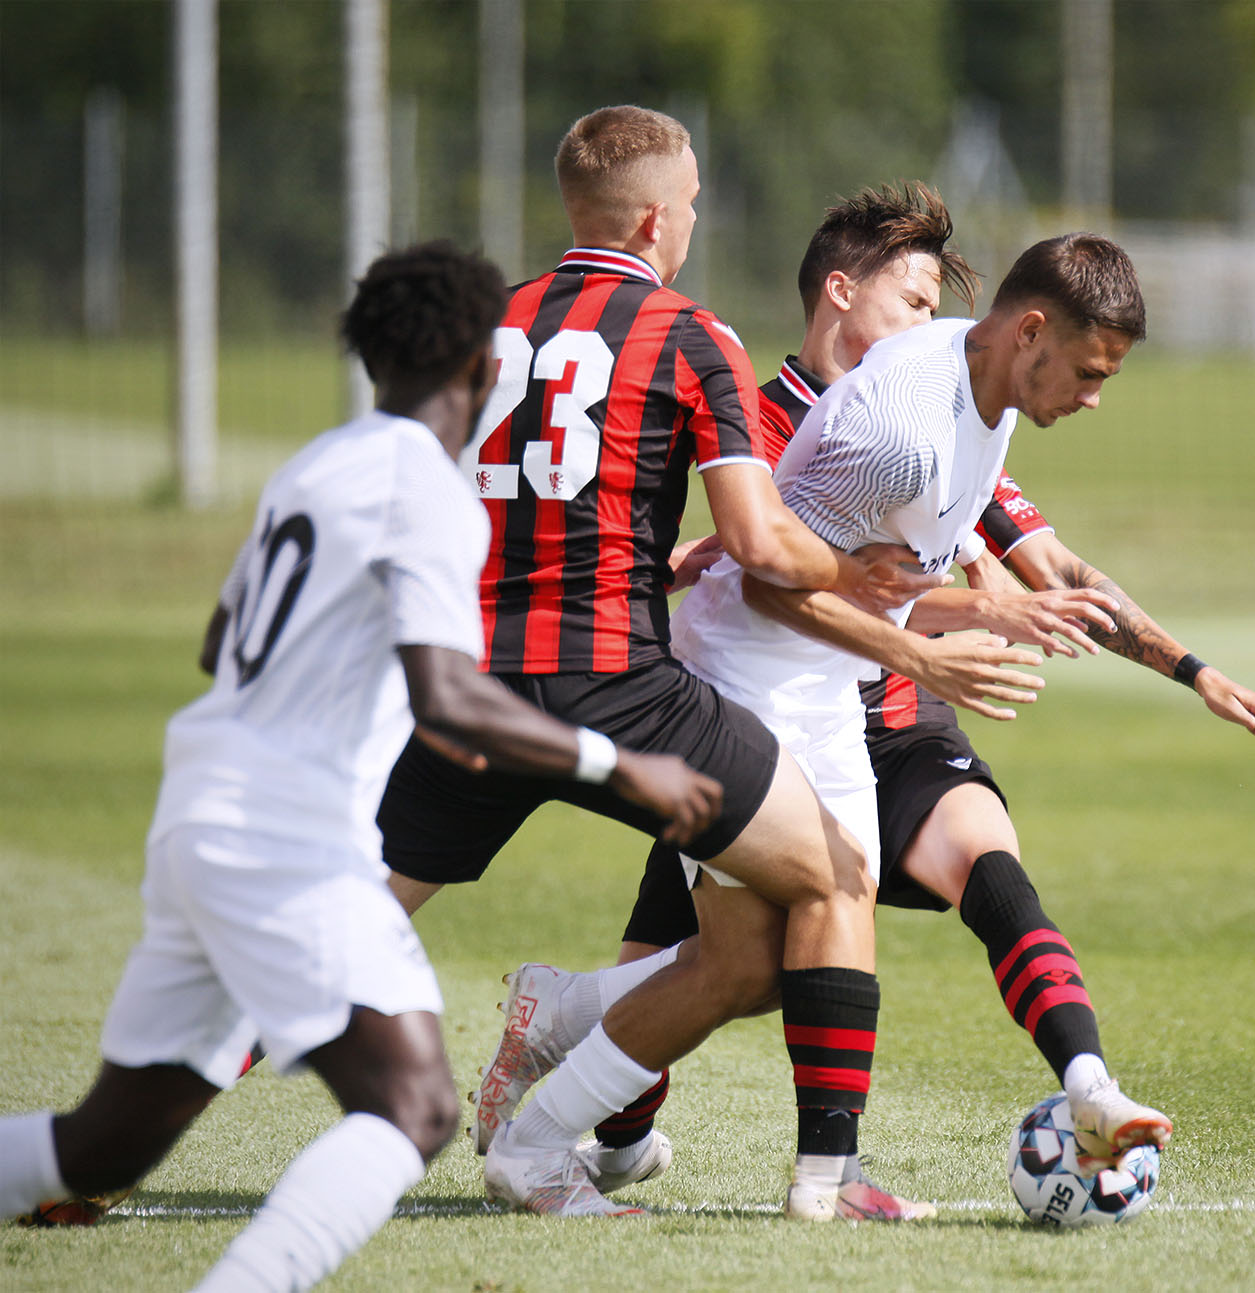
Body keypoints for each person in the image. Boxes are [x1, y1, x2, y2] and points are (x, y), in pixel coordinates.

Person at [514, 192, 1255, 1193]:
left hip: (863, 700)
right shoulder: (861, 421)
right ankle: (575, 1083)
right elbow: (765, 578)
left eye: (934, 302)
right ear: (843, 293)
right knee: (740, 964)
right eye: (913, 296)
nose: (928, 317)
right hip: (753, 687)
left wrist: (1194, 671)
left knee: (875, 904)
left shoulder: (973, 385)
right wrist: (948, 633)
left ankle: (892, 1158)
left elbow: (1042, 570)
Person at [0, 242, 724, 1287]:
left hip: (199, 812)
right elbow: (447, 694)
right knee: (414, 1108)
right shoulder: (426, 489)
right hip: (284, 835)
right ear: (485, 363)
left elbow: (219, 640)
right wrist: (618, 764)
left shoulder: (320, 462)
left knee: (102, 1145)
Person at [374, 108, 1039, 1222]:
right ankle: (577, 1135)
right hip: (620, 687)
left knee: (348, 917)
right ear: (654, 221)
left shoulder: (480, 326)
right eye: (688, 202)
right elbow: (762, 546)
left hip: (471, 682)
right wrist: (867, 578)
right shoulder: (691, 335)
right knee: (829, 884)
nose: (692, 218)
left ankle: (101, 1144)